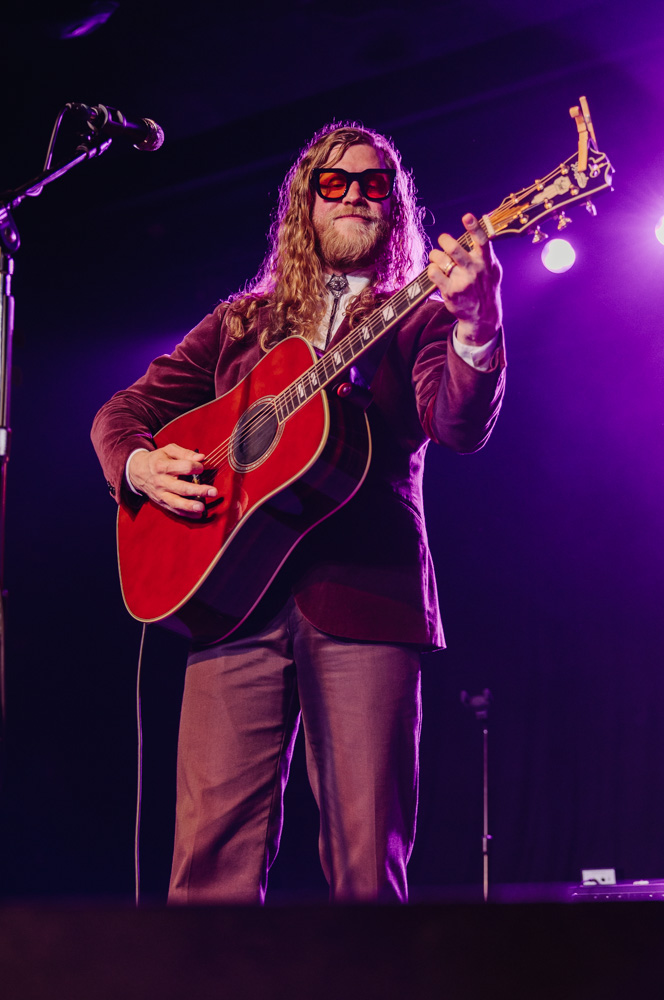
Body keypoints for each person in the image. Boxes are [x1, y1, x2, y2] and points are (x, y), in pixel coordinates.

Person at [91, 122, 505, 904]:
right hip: (230, 602)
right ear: (304, 204)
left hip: (365, 591)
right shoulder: (239, 323)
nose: (355, 196)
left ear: (394, 206)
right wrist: (138, 466)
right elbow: (124, 411)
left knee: (364, 866)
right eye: (334, 183)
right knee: (207, 866)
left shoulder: (419, 315)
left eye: (374, 184)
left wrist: (478, 325)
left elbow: (457, 426)